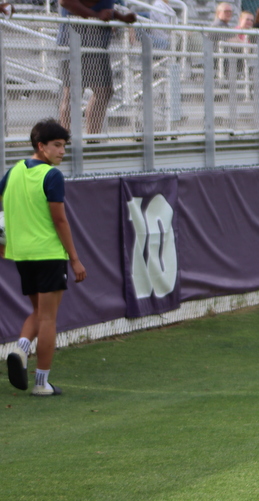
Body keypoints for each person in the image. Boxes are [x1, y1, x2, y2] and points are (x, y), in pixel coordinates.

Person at [1, 120, 86, 397]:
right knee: (49, 319)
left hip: (22, 255)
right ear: (41, 146)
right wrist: (74, 258)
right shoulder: (51, 176)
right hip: (49, 253)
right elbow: (60, 220)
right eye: (57, 146)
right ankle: (41, 383)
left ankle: (21, 349)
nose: (62, 152)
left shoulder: (12, 173)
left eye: (64, 146)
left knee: (39, 312)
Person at [57, 0, 137, 136]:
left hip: (99, 43)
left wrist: (121, 17)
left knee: (104, 91)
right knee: (72, 93)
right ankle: (64, 140)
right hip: (73, 38)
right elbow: (65, 2)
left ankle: (93, 138)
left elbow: (106, 9)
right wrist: (95, 15)